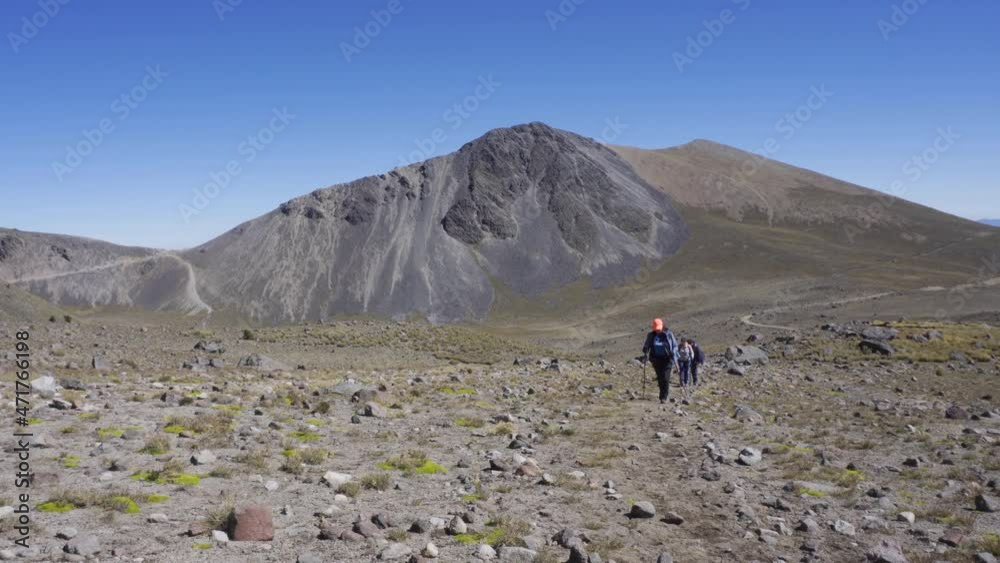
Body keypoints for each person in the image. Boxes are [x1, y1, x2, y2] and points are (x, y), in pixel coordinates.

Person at [642, 318, 678, 403]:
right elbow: (647, 345)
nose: (658, 330)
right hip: (656, 359)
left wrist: (673, 352)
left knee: (666, 378)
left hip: (667, 359)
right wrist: (645, 349)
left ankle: (664, 397)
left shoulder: (668, 334)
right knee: (660, 378)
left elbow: (675, 345)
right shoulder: (651, 335)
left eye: (659, 328)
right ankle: (662, 395)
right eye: (656, 329)